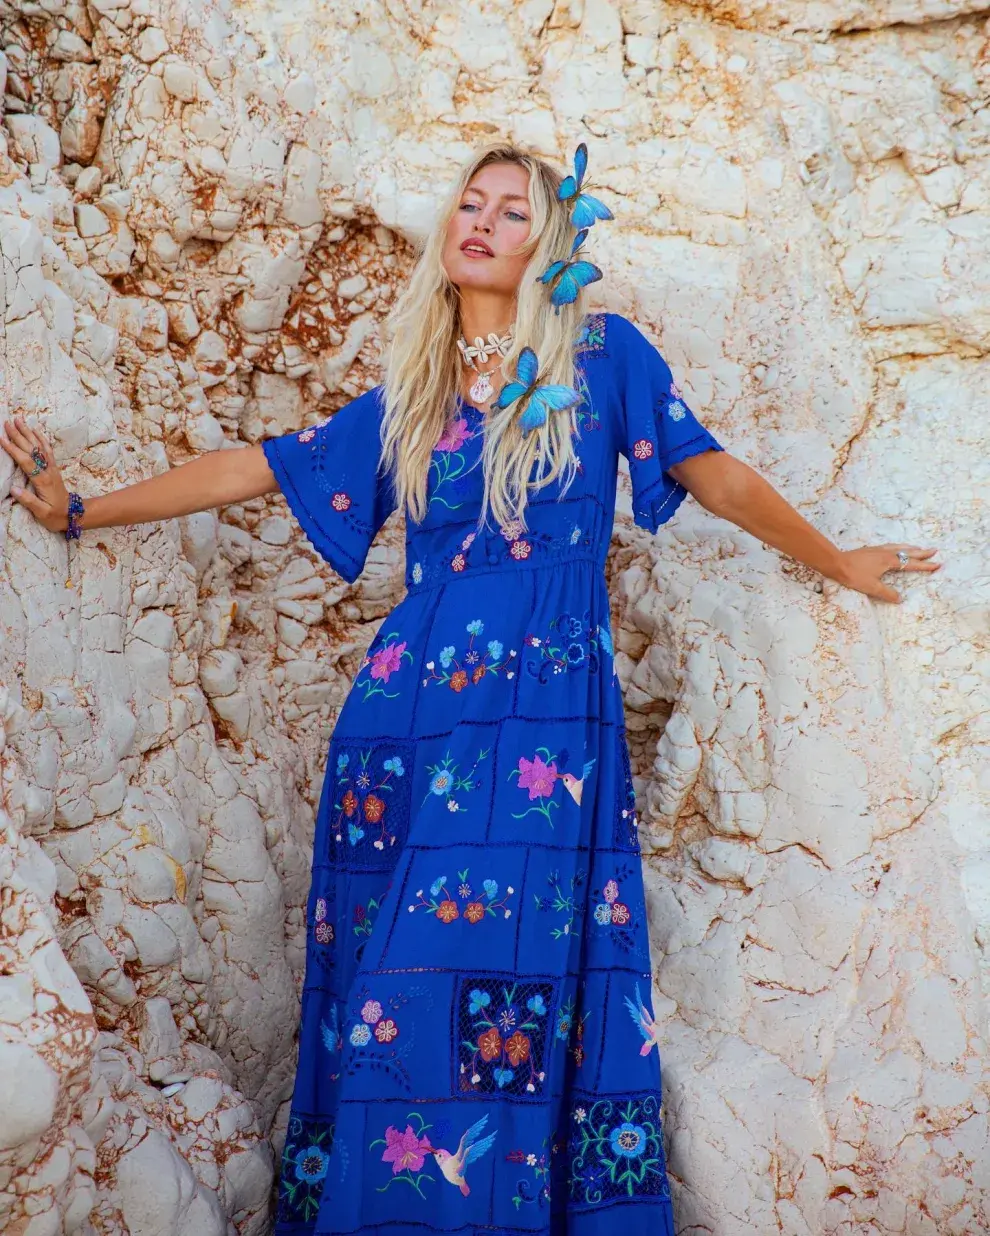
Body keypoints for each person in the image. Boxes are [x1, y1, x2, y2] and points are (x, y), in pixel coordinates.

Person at [1, 142, 938, 1236]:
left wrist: (836, 560)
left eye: (512, 211)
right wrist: (85, 509)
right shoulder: (418, 390)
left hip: (543, 735)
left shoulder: (604, 358)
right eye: (469, 204)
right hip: (404, 727)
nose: (481, 223)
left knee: (503, 987)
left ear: (550, 242)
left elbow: (709, 468)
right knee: (389, 996)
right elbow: (263, 464)